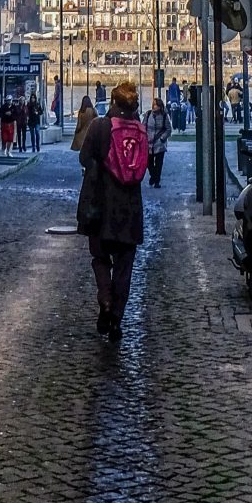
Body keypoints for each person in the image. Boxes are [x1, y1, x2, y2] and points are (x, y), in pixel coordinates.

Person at [77, 80, 147, 345]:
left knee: (100, 257)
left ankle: (105, 300)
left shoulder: (100, 126)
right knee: (125, 267)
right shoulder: (140, 130)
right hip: (130, 209)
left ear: (114, 101)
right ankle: (117, 316)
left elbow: (84, 158)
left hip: (101, 206)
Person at [144, 96, 172, 187]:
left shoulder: (164, 116)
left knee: (159, 164)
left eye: (156, 105)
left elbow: (168, 129)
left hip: (159, 143)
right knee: (149, 163)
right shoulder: (148, 114)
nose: (154, 106)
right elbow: (143, 126)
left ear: (160, 106)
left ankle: (157, 181)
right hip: (149, 143)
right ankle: (153, 176)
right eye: (153, 104)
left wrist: (162, 138)